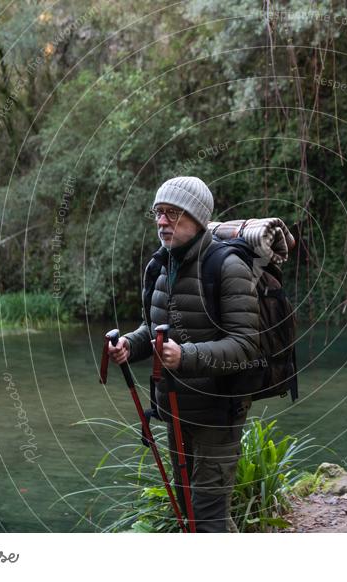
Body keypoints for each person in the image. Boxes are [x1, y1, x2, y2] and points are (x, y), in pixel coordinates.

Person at [108, 176, 260, 532]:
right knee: (190, 510)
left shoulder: (227, 267)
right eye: (159, 213)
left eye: (173, 213)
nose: (162, 221)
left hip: (217, 412)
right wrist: (131, 344)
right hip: (175, 410)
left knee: (207, 517)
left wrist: (186, 356)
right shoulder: (161, 265)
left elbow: (246, 344)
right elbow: (154, 329)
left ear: (197, 217)